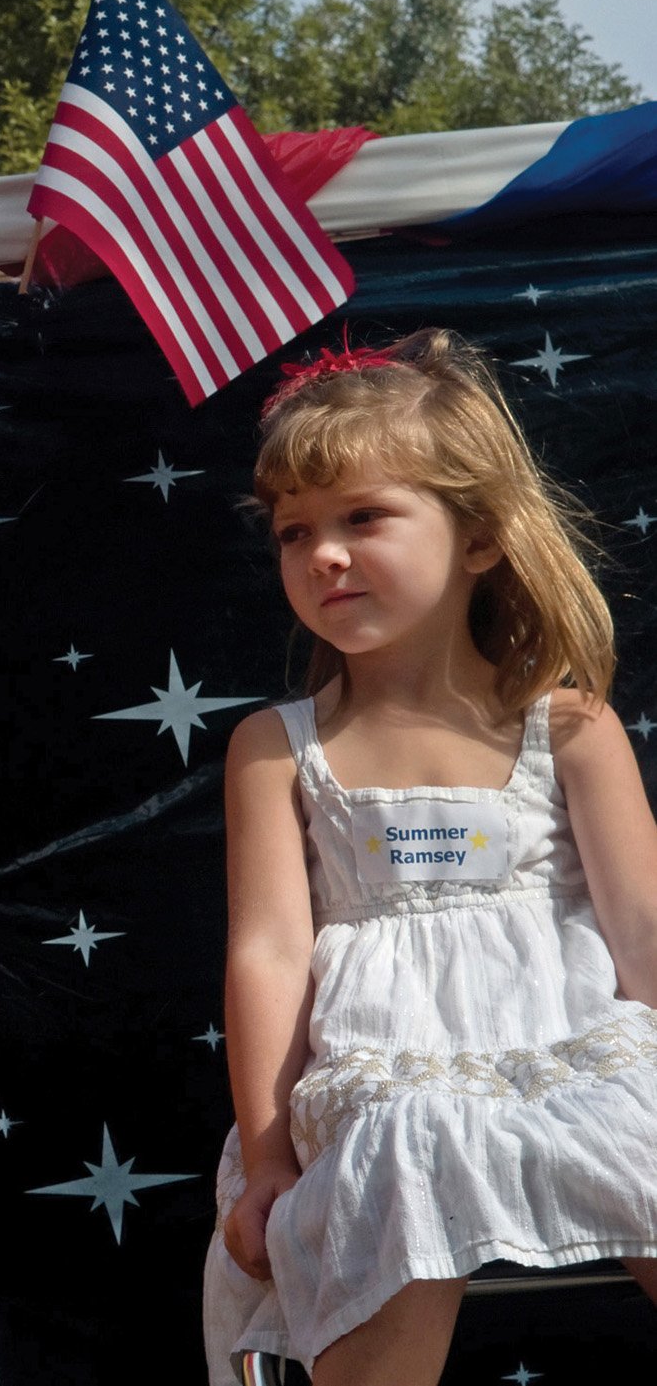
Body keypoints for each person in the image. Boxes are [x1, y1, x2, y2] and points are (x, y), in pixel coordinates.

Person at [206, 331, 657, 1383]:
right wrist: (267, 1152)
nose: (323, 554)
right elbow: (269, 951)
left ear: (481, 538)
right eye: (293, 532)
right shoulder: (275, 746)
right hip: (384, 1074)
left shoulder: (569, 726)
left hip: (574, 1052)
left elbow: (641, 923)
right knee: (407, 1149)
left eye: (364, 517)